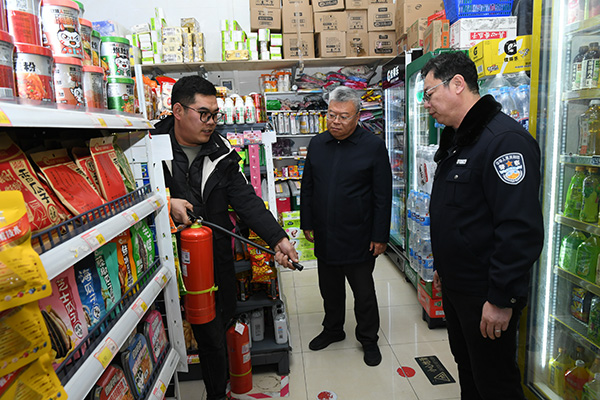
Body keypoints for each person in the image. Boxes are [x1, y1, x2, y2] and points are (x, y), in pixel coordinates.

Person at [152, 75, 298, 400]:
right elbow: (132, 195)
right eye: (204, 114)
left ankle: (217, 393)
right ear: (178, 111)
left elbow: (246, 201)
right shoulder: (147, 146)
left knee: (215, 332)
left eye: (215, 114)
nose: (211, 122)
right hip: (166, 262)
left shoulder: (222, 152)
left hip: (214, 262)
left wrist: (278, 239)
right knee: (169, 330)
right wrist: (165, 202)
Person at [422, 52, 544, 399]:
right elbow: (459, 215)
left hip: (486, 292)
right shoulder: (459, 138)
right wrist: (443, 267)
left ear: (457, 84)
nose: (426, 104)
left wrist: (501, 298)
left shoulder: (504, 141)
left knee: (495, 382)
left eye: (429, 94)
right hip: (459, 287)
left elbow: (518, 227)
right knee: (468, 368)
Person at [300, 86, 392, 367]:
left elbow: (382, 195)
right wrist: (307, 221)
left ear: (357, 116)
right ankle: (333, 329)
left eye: (343, 116)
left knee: (363, 292)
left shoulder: (372, 146)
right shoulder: (318, 144)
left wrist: (380, 235)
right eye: (331, 115)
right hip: (325, 232)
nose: (336, 121)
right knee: (330, 289)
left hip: (359, 234)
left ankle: (368, 338)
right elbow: (308, 186)